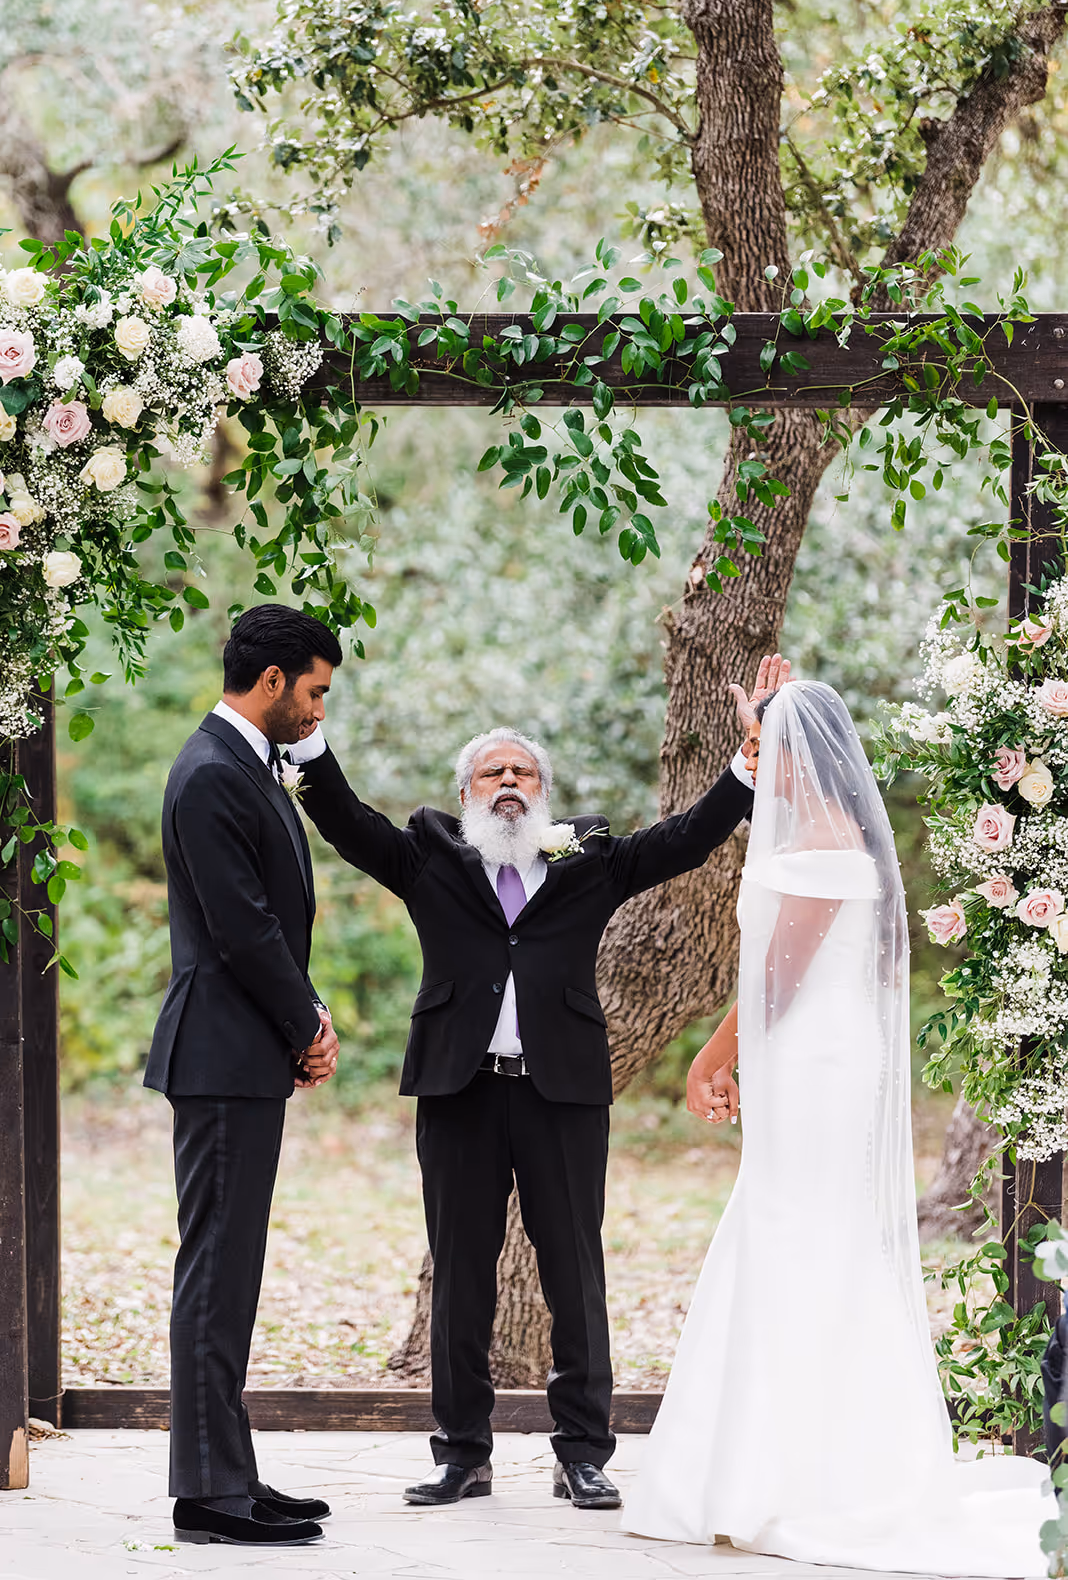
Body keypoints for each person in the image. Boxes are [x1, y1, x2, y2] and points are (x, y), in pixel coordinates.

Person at [285, 654, 790, 1509]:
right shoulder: (428, 857)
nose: (510, 781)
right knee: (461, 1275)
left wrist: (749, 758)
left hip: (563, 1094)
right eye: (493, 772)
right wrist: (307, 740)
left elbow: (688, 837)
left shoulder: (590, 858)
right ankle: (461, 1455)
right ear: (468, 793)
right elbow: (344, 819)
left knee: (574, 1273)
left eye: (523, 771)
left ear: (543, 792)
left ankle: (583, 1453)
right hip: (460, 1092)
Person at [622, 680, 1050, 1576]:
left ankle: (806, 1468)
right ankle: (775, 1452)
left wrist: (712, 1058)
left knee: (800, 1227)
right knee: (796, 1226)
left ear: (799, 755)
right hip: (812, 1051)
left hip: (814, 1058)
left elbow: (779, 975)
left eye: (764, 743)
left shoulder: (822, 842)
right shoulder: (821, 833)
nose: (759, 759)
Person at [144, 604, 344, 1548]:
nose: (318, 711)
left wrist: (306, 1017)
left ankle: (231, 1473)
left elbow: (267, 921)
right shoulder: (211, 771)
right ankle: (208, 1495)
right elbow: (242, 929)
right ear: (271, 681)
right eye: (314, 692)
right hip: (222, 1052)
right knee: (216, 1271)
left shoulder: (239, 763)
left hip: (241, 1052)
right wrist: (308, 1023)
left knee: (232, 1272)